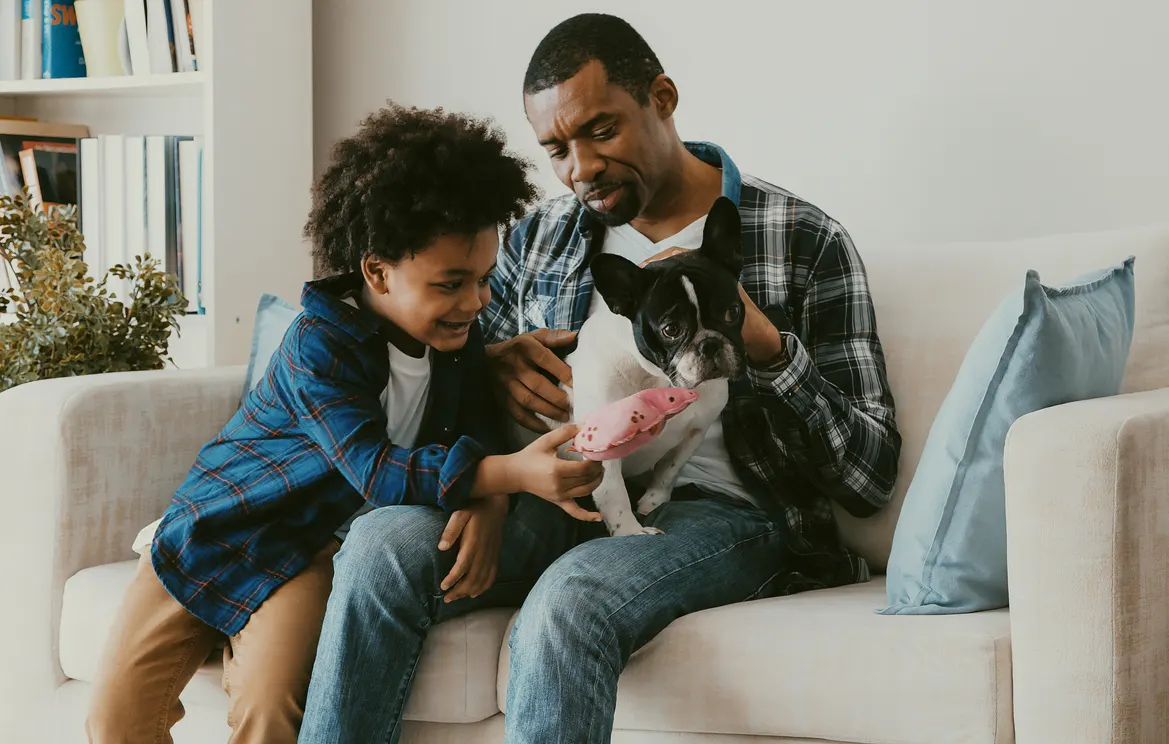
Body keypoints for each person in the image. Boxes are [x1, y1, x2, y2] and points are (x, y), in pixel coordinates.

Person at [298, 13, 901, 744]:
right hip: (553, 489)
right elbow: (452, 397)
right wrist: (491, 373)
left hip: (724, 511)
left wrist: (771, 349)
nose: (579, 167)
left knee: (570, 601)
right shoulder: (535, 237)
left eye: (601, 132)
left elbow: (869, 476)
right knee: (378, 546)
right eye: (555, 148)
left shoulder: (798, 238)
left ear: (663, 99)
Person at [85, 103, 604, 744]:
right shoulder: (319, 345)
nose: (475, 302)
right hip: (218, 526)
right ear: (377, 271)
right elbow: (377, 471)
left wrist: (492, 498)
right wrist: (513, 476)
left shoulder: (459, 342)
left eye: (483, 279)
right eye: (450, 284)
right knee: (115, 720)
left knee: (271, 711)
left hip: (308, 552)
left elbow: (476, 431)